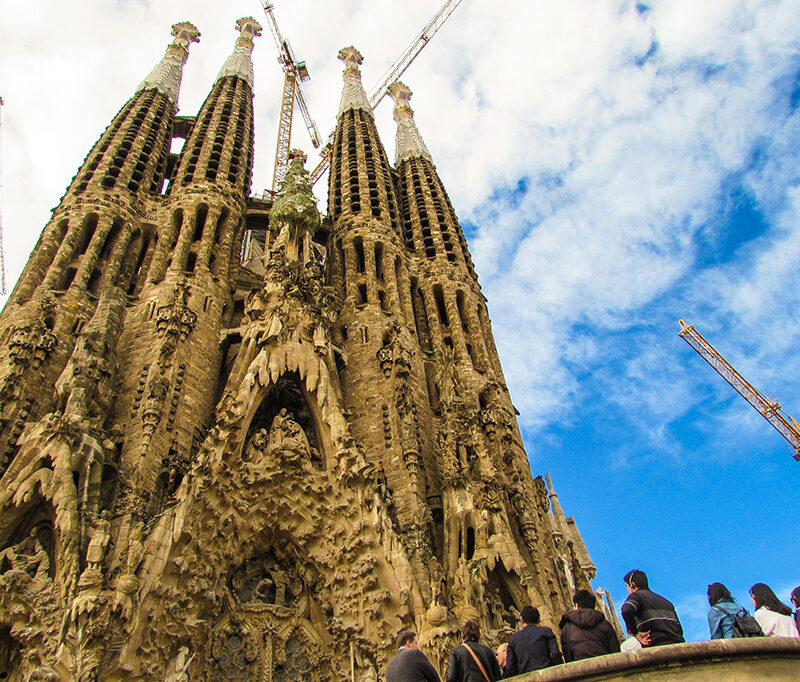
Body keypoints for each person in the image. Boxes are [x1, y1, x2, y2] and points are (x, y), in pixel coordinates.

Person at [620, 569, 684, 647]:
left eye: (627, 586)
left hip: (656, 645)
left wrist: (636, 634)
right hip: (679, 645)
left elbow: (626, 610)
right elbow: (679, 629)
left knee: (626, 646)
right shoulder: (667, 603)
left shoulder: (636, 596)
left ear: (632, 585)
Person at [559, 589, 621, 662]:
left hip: (581, 667)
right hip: (606, 665)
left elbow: (568, 655)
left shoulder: (567, 628)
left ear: (577, 606)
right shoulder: (605, 624)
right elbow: (615, 651)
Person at [504, 606, 562, 675]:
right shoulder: (546, 632)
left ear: (522, 619)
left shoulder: (513, 639)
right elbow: (555, 654)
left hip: (526, 677)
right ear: (538, 619)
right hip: (547, 674)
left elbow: (510, 667)